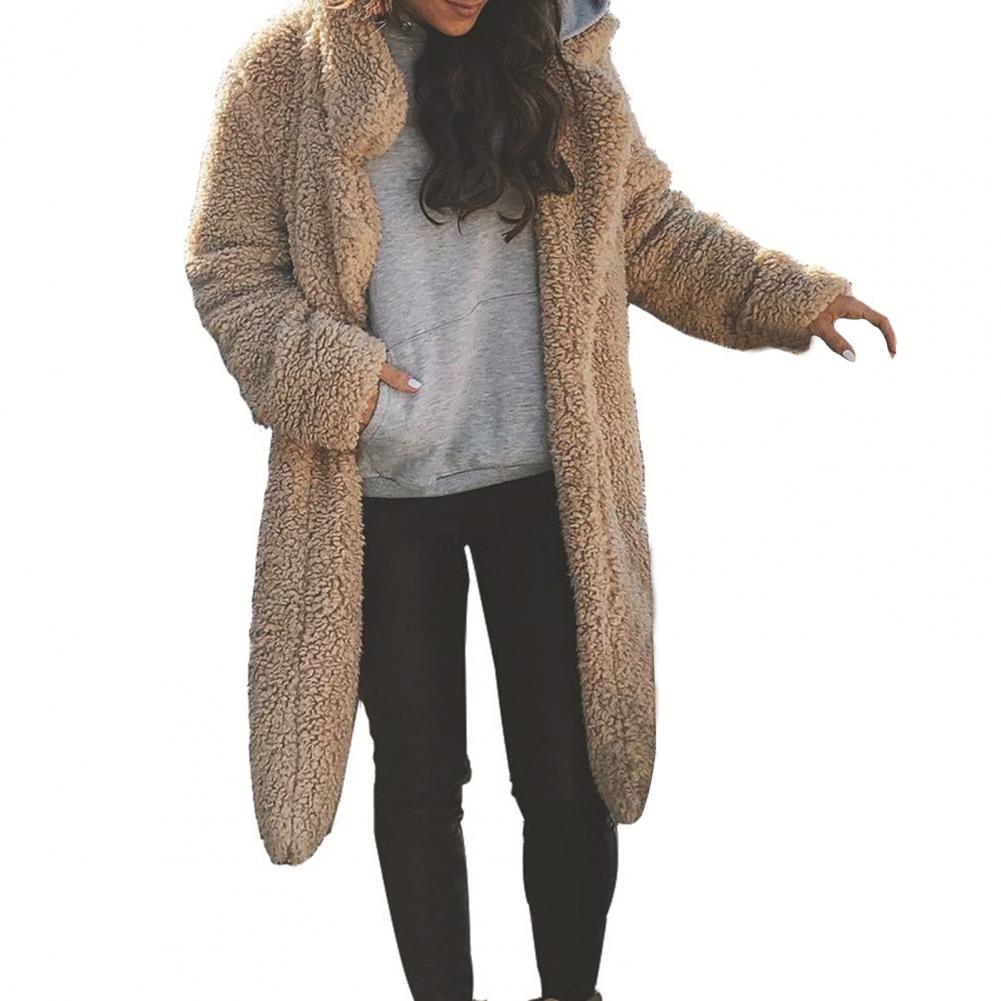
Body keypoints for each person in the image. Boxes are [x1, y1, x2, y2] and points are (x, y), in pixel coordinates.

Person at [184, 2, 897, 1000]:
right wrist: (334, 372)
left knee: (568, 774)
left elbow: (642, 224)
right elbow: (229, 265)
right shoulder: (286, 74)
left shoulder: (558, 57)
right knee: (420, 778)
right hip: (380, 487)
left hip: (546, 480)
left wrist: (782, 293)